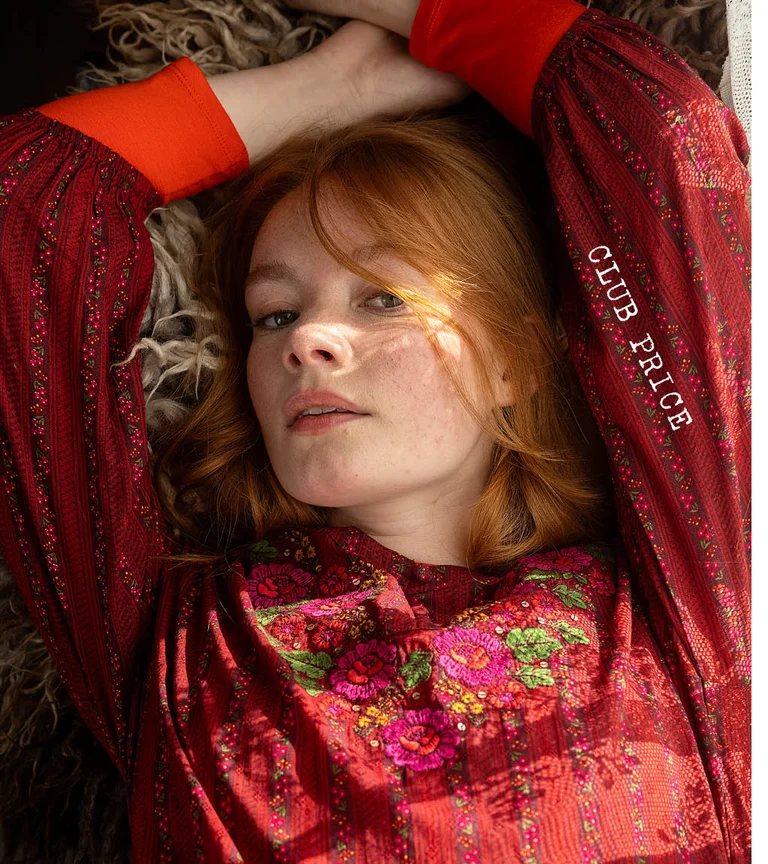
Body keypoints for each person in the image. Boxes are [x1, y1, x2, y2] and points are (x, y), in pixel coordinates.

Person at [0, 0, 750, 861]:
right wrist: (328, 88)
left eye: (383, 298)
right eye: (274, 314)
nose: (308, 341)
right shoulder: (177, 638)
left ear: (516, 358)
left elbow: (670, 148)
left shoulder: (684, 604)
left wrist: (446, 18)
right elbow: (22, 206)